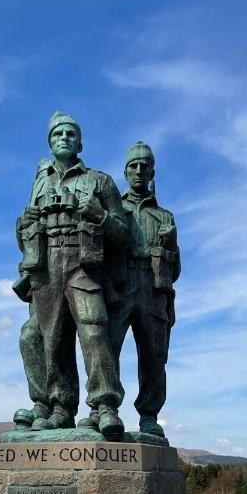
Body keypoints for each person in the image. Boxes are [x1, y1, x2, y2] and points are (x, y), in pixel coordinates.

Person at [15, 112, 128, 439]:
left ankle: (105, 405)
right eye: (57, 134)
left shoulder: (100, 181)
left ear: (80, 142)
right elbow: (23, 234)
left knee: (94, 331)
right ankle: (60, 406)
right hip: (47, 265)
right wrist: (26, 221)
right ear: (50, 142)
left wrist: (101, 216)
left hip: (83, 263)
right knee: (51, 340)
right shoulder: (40, 182)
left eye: (70, 133)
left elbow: (124, 234)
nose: (63, 138)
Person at [80, 142, 180, 438]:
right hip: (119, 287)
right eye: (133, 166)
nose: (139, 170)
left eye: (144, 166)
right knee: (104, 348)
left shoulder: (165, 217)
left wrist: (170, 246)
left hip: (153, 290)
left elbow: (176, 272)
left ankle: (149, 415)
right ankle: (101, 407)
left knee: (153, 356)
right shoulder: (114, 208)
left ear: (152, 172)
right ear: (125, 171)